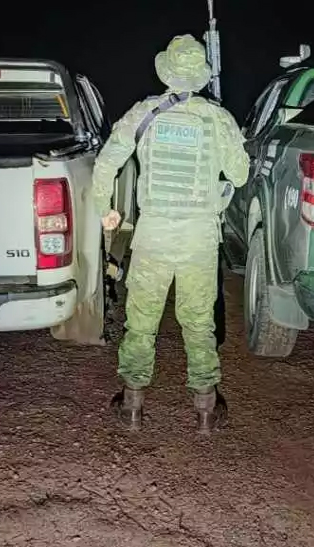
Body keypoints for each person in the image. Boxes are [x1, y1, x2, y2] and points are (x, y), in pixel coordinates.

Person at [91, 34, 249, 434]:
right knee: (198, 324)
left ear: (167, 72)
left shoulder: (145, 113)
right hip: (199, 238)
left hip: (153, 237)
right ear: (200, 76)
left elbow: (106, 163)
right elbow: (241, 175)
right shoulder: (218, 118)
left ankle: (132, 407)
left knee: (141, 322)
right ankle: (205, 412)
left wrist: (104, 210)